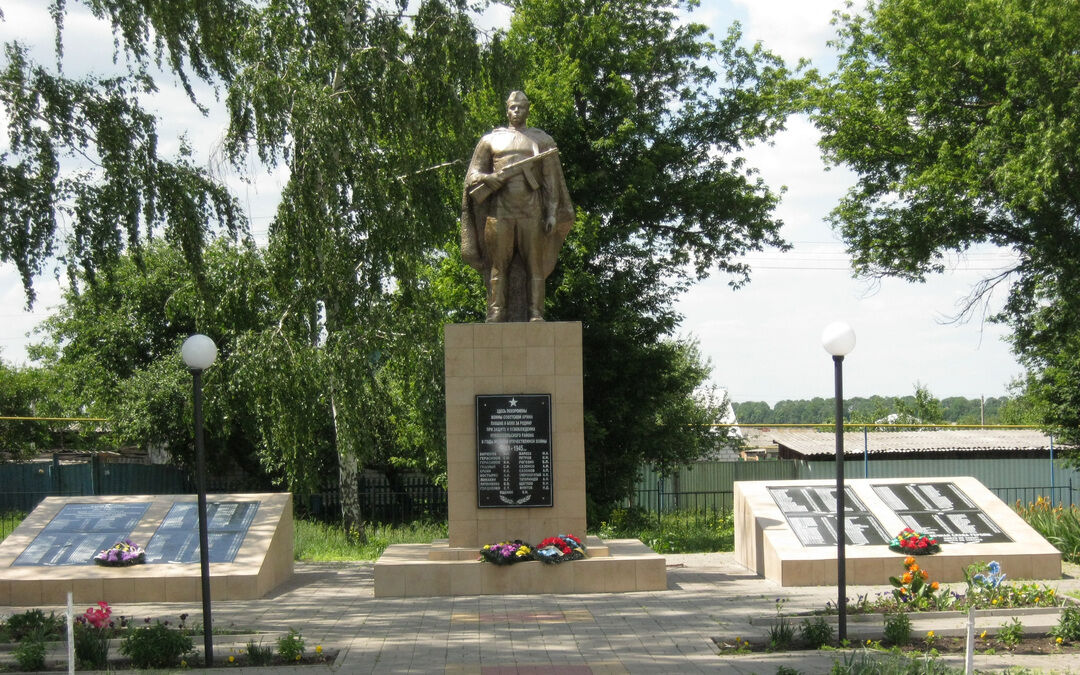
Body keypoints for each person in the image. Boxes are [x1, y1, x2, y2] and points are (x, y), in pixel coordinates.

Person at [460, 91, 574, 322]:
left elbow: (551, 181)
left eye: (521, 107)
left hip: (532, 214)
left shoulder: (542, 140)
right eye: (512, 107)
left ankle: (536, 313)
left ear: (528, 109)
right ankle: (496, 312)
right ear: (506, 109)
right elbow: (472, 175)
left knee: (535, 266)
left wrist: (551, 213)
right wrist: (488, 179)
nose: (516, 111)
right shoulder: (490, 140)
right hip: (499, 213)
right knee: (498, 265)